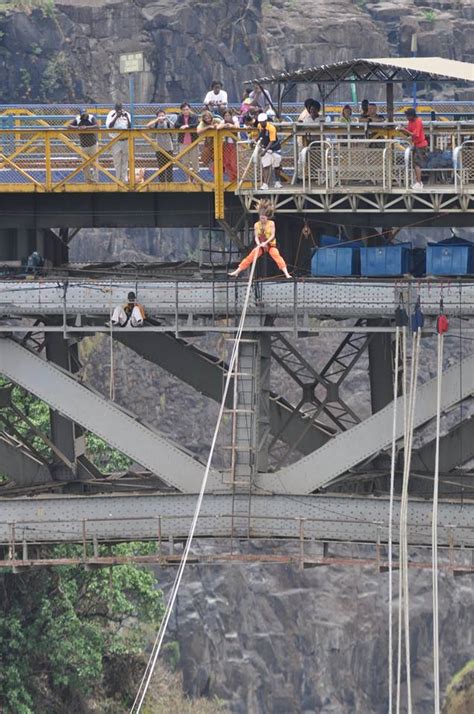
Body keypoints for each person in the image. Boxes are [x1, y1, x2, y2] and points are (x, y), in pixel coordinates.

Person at [228, 202, 291, 278]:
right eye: (261, 218)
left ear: (267, 217)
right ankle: (237, 271)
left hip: (270, 245)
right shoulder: (256, 225)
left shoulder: (271, 223)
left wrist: (266, 243)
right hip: (261, 245)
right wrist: (258, 244)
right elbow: (256, 237)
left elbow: (272, 235)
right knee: (250, 256)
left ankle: (286, 273)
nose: (262, 219)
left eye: (263, 218)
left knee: (276, 256)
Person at [397, 108, 429, 190]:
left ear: (411, 116)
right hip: (415, 144)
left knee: (417, 164)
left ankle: (419, 183)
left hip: (421, 145)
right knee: (414, 164)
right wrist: (402, 129)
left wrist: (404, 130)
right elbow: (409, 133)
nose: (407, 118)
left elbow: (415, 135)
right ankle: (418, 181)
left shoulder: (418, 121)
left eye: (407, 116)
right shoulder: (410, 122)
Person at [68, 108, 99, 182]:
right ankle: (88, 179)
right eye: (83, 115)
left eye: (85, 114)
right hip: (83, 145)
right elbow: (69, 126)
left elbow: (97, 126)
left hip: (92, 144)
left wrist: (86, 128)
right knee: (85, 164)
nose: (84, 116)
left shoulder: (91, 117)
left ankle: (95, 179)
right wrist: (78, 127)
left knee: (95, 163)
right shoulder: (78, 119)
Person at [146, 108, 174, 182]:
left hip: (169, 147)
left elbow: (174, 126)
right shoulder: (156, 123)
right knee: (161, 166)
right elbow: (147, 125)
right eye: (159, 115)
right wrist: (157, 120)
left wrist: (167, 118)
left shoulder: (167, 123)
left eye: (162, 115)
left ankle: (170, 182)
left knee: (169, 166)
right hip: (159, 148)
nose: (161, 117)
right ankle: (161, 182)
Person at [105, 102, 131, 183]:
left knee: (125, 160)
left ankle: (124, 179)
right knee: (117, 161)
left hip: (125, 140)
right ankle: (118, 179)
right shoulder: (111, 114)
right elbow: (109, 126)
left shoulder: (127, 114)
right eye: (117, 108)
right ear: (115, 108)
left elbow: (130, 127)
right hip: (116, 140)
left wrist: (126, 117)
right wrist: (116, 116)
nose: (119, 110)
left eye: (120, 108)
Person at [174, 102, 200, 182]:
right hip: (183, 142)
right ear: (181, 111)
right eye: (184, 110)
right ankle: (188, 178)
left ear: (190, 109)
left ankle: (196, 178)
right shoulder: (180, 117)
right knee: (185, 161)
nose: (186, 111)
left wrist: (188, 126)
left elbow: (196, 124)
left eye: (187, 109)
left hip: (193, 141)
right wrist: (181, 126)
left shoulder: (194, 116)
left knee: (195, 160)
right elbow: (176, 125)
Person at [257, 112, 283, 190]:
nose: (261, 123)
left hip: (275, 148)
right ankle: (265, 184)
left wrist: (264, 151)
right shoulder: (259, 126)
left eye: (262, 122)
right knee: (266, 166)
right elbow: (261, 135)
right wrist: (257, 141)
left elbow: (272, 141)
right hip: (265, 147)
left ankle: (277, 182)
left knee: (277, 166)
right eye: (260, 122)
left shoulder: (271, 128)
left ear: (266, 120)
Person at [197, 110, 223, 175]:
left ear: (211, 117)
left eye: (208, 117)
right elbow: (198, 131)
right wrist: (208, 127)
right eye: (205, 118)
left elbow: (223, 124)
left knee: (219, 158)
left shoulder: (216, 120)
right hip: (208, 143)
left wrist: (217, 126)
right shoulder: (202, 123)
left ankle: (218, 171)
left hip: (219, 142)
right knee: (205, 158)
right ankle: (212, 170)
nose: (207, 119)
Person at [220, 108, 240, 181]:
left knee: (233, 163)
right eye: (225, 116)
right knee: (227, 162)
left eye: (228, 115)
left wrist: (231, 126)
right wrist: (225, 125)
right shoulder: (223, 121)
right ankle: (232, 178)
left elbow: (237, 126)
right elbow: (219, 127)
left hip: (234, 144)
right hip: (227, 144)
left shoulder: (235, 119)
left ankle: (237, 177)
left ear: (231, 116)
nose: (227, 117)